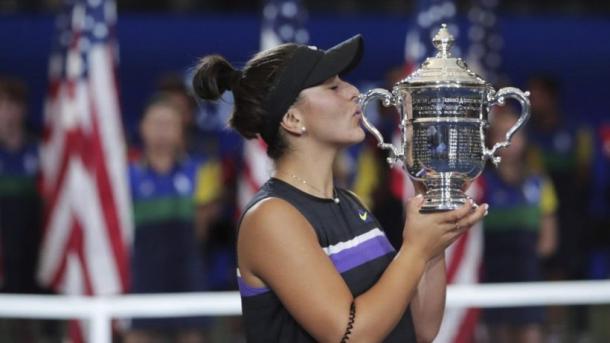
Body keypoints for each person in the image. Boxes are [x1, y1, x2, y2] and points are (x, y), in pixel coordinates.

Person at [192, 35, 488, 342]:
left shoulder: (349, 203)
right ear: (293, 119)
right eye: (332, 87)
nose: (352, 92)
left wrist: (433, 241)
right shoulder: (271, 217)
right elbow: (350, 335)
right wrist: (415, 250)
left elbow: (421, 328)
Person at [126, 94, 221, 343]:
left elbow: (202, 228)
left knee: (191, 335)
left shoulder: (203, 169)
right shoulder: (125, 175)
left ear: (181, 130)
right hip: (142, 270)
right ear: (142, 128)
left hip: (186, 268)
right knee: (139, 336)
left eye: (168, 124)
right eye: (155, 123)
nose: (161, 130)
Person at [480, 106, 558, 343]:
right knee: (499, 334)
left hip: (526, 271)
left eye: (515, 134)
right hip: (492, 271)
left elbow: (549, 239)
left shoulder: (538, 183)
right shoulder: (480, 184)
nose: (508, 141)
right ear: (491, 139)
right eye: (502, 134)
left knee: (530, 333)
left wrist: (530, 259)